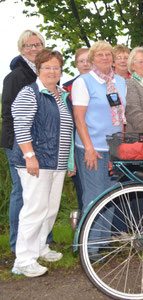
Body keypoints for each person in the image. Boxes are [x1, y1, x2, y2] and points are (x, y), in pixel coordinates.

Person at [11, 49, 74, 277]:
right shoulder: (30, 93)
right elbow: (21, 126)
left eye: (56, 67)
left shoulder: (62, 93)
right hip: (36, 162)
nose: (52, 71)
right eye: (46, 67)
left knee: (49, 209)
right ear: (38, 70)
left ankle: (40, 248)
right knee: (34, 210)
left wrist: (68, 162)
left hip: (56, 162)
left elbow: (66, 131)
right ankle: (23, 260)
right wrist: (30, 156)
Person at [72, 41, 126, 259]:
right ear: (92, 58)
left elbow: (122, 117)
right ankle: (88, 248)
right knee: (94, 197)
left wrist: (120, 149)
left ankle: (102, 242)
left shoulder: (120, 81)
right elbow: (79, 118)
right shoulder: (83, 82)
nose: (105, 58)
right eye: (100, 55)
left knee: (110, 195)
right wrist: (88, 148)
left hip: (114, 147)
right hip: (92, 147)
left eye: (108, 54)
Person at [1, 29, 45, 253]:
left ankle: (40, 241)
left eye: (38, 45)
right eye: (29, 45)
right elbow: (9, 115)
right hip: (19, 144)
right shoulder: (16, 77)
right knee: (22, 192)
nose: (34, 49)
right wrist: (22, 147)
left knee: (38, 193)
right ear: (21, 49)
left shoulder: (42, 74)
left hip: (37, 143)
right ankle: (18, 244)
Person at [62, 47, 92, 211]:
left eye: (89, 60)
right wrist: (70, 158)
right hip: (77, 146)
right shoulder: (67, 89)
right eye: (82, 61)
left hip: (100, 145)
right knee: (82, 192)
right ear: (76, 64)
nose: (86, 64)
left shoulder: (106, 84)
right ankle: (83, 232)